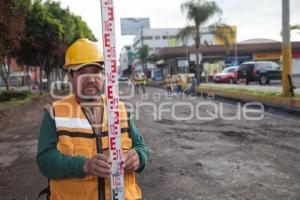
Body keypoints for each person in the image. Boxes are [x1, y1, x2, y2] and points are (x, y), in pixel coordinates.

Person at [36, 38, 149, 200]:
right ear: (71, 76)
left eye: (95, 71)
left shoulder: (120, 109)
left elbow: (141, 146)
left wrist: (139, 157)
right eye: (82, 72)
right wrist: (84, 165)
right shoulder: (55, 113)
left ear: (103, 75)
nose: (90, 79)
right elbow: (45, 160)